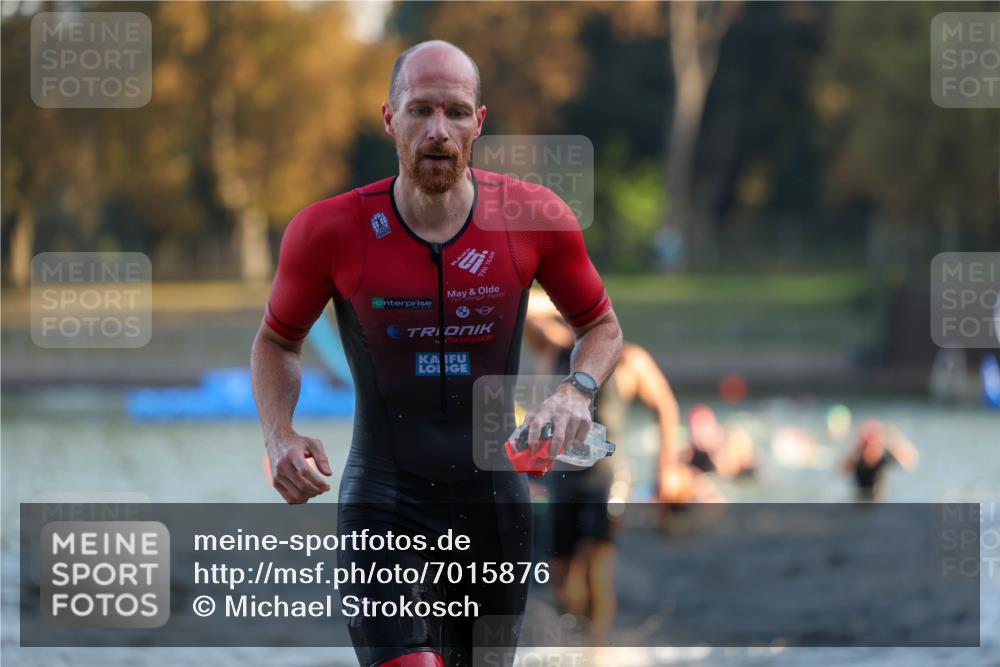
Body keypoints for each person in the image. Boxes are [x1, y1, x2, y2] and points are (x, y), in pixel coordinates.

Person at [250, 41, 623, 667]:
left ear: (480, 121)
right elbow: (274, 342)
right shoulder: (328, 231)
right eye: (420, 110)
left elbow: (603, 327)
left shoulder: (533, 218)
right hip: (383, 498)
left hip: (495, 507)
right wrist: (277, 433)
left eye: (454, 112)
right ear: (389, 119)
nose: (438, 131)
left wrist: (574, 391)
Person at [523, 292, 677, 647]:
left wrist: (665, 470)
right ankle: (575, 638)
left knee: (596, 565)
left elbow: (665, 407)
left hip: (608, 477)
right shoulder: (556, 347)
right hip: (563, 476)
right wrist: (564, 299)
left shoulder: (631, 360)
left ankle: (598, 649)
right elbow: (527, 311)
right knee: (561, 573)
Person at [840, 419, 919, 501]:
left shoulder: (886, 456)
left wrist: (895, 439)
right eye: (867, 445)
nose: (870, 449)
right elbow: (843, 470)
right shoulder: (857, 459)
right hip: (861, 499)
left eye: (874, 445)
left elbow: (910, 461)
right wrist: (856, 448)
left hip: (880, 500)